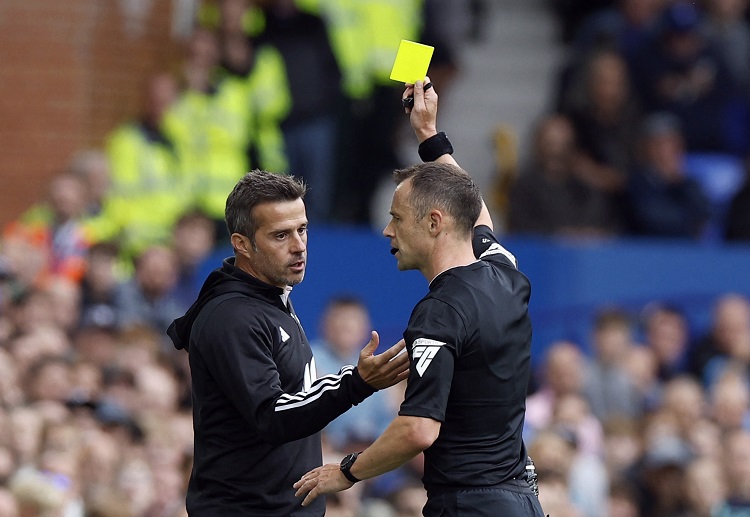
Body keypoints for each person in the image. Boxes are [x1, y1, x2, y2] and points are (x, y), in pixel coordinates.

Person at [294, 79, 545, 516]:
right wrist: (429, 136)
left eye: (396, 218)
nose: (388, 231)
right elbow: (474, 208)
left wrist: (347, 471)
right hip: (522, 502)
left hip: (470, 506)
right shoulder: (507, 272)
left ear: (433, 223)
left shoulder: (439, 312)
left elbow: (417, 430)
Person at [166, 169, 410, 515]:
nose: (298, 246)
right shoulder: (232, 317)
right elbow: (273, 416)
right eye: (280, 235)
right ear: (242, 244)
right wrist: (358, 383)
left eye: (302, 229)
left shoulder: (271, 297)